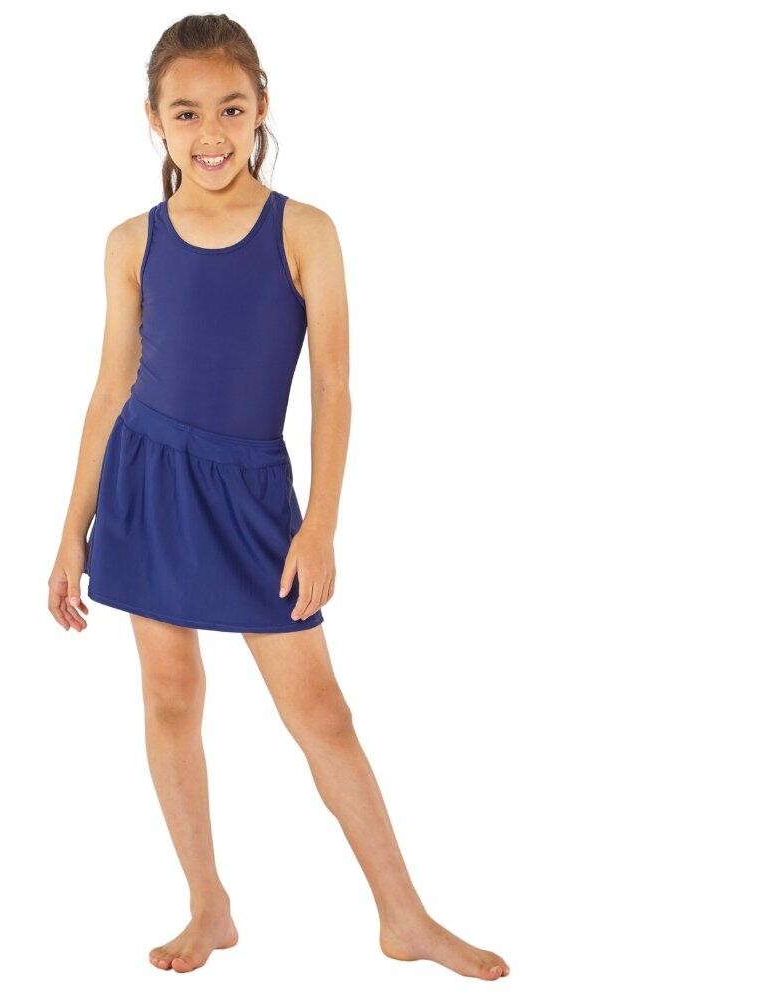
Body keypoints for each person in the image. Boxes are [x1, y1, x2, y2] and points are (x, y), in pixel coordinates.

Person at [48, 13, 510, 981]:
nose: (209, 132)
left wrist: (321, 525)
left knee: (322, 712)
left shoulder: (304, 230)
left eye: (230, 108)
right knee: (170, 694)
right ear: (153, 120)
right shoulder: (130, 242)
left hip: (252, 495)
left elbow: (334, 385)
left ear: (261, 108)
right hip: (147, 481)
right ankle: (207, 903)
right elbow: (108, 388)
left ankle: (404, 916)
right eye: (185, 113)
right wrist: (69, 532)